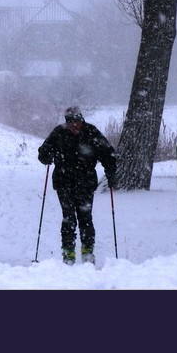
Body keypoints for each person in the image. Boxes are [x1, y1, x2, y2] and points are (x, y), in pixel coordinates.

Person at [37, 105, 116, 265]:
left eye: (78, 121)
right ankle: (68, 253)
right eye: (71, 122)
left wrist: (110, 171)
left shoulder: (91, 132)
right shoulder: (59, 132)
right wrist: (47, 156)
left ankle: (87, 251)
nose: (75, 125)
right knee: (68, 217)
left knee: (85, 217)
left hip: (85, 182)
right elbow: (43, 153)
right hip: (63, 181)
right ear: (67, 122)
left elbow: (108, 153)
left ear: (81, 119)